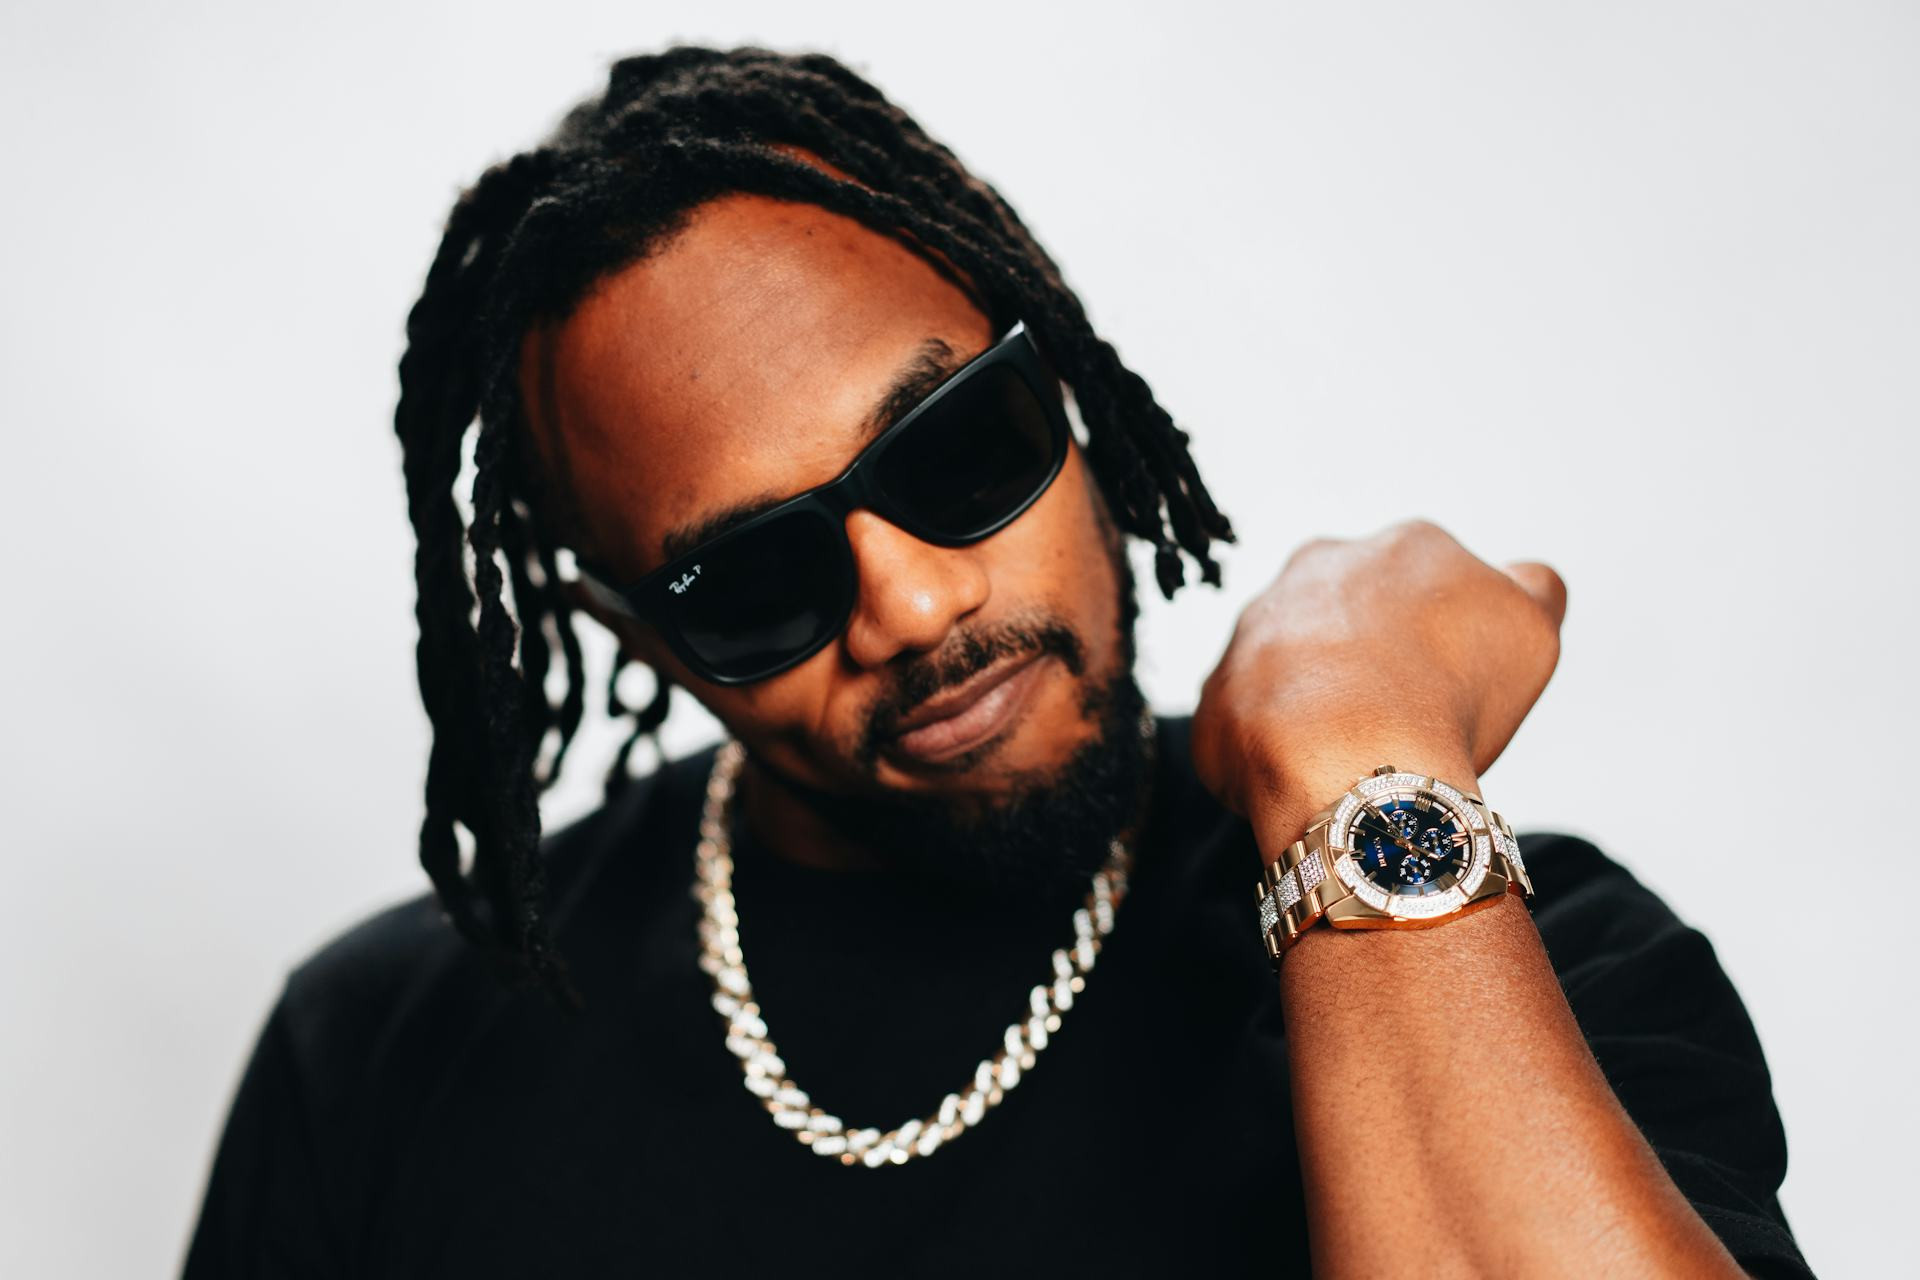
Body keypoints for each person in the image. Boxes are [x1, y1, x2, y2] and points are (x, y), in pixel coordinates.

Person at [181, 46, 1810, 1278]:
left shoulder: (1513, 957)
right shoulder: (381, 1054)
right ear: (636, 635)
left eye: (957, 447)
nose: (904, 603)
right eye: (755, 578)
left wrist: (1355, 758)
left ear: (1065, 376)